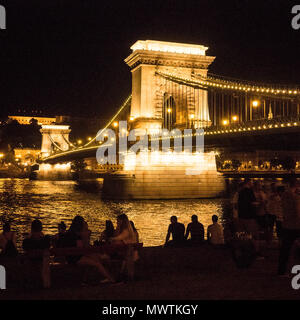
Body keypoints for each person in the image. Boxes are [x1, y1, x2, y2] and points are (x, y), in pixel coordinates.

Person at [59, 215, 115, 284]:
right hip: (75, 258)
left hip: (71, 256)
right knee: (97, 263)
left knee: (96, 259)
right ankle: (110, 279)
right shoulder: (77, 235)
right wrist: (87, 237)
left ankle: (86, 279)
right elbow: (82, 249)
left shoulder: (70, 233)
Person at [278, 179, 300, 276]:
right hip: (296, 225)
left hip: (286, 225)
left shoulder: (284, 196)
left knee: (285, 249)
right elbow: (298, 212)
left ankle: (281, 271)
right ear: (296, 185)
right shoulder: (296, 198)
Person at [22, 219, 51, 288]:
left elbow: (24, 248)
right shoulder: (45, 241)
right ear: (41, 228)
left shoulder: (27, 241)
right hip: (42, 263)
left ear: (32, 229)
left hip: (30, 263)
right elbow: (48, 246)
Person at [110, 215, 139, 281]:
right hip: (130, 252)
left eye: (118, 221)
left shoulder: (126, 231)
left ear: (122, 221)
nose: (117, 222)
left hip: (130, 253)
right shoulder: (128, 230)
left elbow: (117, 238)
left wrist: (111, 239)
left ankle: (119, 275)